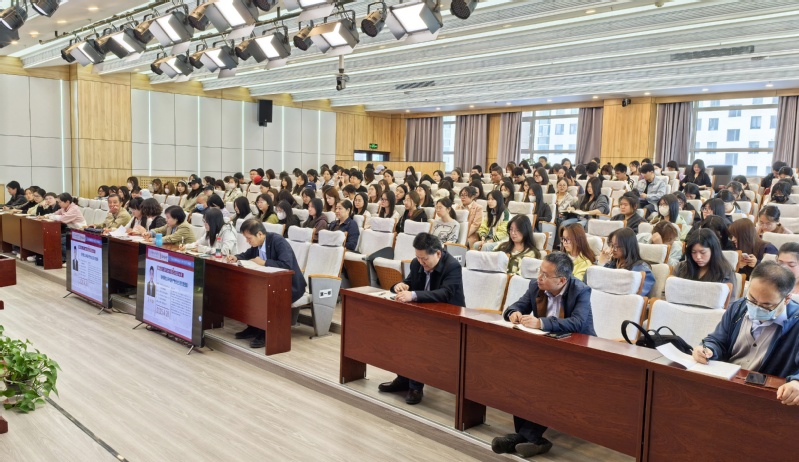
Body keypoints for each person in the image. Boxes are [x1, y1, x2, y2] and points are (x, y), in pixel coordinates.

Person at [494, 252, 595, 457]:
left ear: (562, 280)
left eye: (545, 275)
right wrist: (513, 313)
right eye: (539, 271)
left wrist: (541, 323)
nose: (539, 277)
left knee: (549, 381)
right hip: (546, 350)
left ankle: (523, 438)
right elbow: (515, 306)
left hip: (579, 353)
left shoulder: (581, 291)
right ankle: (531, 439)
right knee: (521, 375)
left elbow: (577, 322)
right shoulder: (535, 286)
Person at [693, 262, 799, 405]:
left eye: (766, 305)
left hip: (767, 398)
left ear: (786, 299)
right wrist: (708, 349)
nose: (756, 307)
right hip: (728, 385)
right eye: (752, 299)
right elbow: (718, 340)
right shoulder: (739, 307)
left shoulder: (795, 323)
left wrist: (797, 381)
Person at [380, 233, 465, 405]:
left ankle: (415, 386)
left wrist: (413, 295)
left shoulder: (453, 266)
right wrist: (399, 286)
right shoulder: (416, 263)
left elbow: (445, 293)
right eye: (418, 258)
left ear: (438, 254)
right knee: (399, 329)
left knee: (418, 337)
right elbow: (409, 283)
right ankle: (403, 379)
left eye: (424, 259)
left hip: (449, 319)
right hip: (424, 316)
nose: (421, 262)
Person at [228, 219, 307, 348]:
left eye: (249, 238)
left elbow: (286, 265)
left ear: (259, 234)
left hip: (289, 286)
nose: (247, 241)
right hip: (270, 283)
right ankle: (253, 327)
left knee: (265, 297)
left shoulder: (278, 241)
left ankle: (264, 333)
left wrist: (264, 263)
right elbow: (248, 254)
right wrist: (236, 257)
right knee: (249, 293)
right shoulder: (258, 244)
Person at [673, 229, 736, 296]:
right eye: (693, 252)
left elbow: (729, 300)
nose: (698, 257)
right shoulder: (681, 268)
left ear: (713, 251)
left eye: (702, 252)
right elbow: (670, 292)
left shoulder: (726, 272)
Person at [599, 228, 655, 295]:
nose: (613, 249)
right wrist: (602, 263)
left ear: (628, 246)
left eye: (617, 246)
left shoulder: (641, 269)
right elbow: (598, 282)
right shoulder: (612, 263)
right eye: (612, 245)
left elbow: (636, 295)